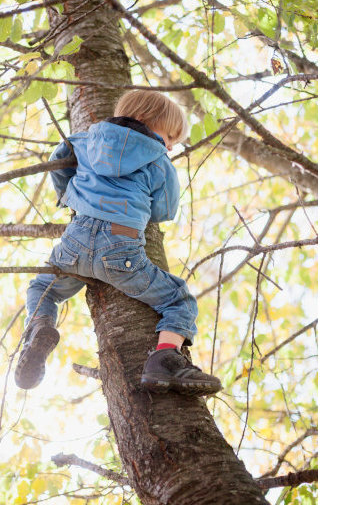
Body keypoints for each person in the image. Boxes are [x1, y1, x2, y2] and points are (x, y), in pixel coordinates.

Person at [14, 90, 222, 396]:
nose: (169, 146)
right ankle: (165, 359)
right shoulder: (159, 162)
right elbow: (165, 209)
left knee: (42, 288)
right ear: (149, 123)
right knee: (178, 299)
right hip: (121, 248)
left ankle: (40, 327)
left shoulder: (84, 140)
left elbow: (58, 160)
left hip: (76, 239)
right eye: (169, 138)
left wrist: (69, 193)